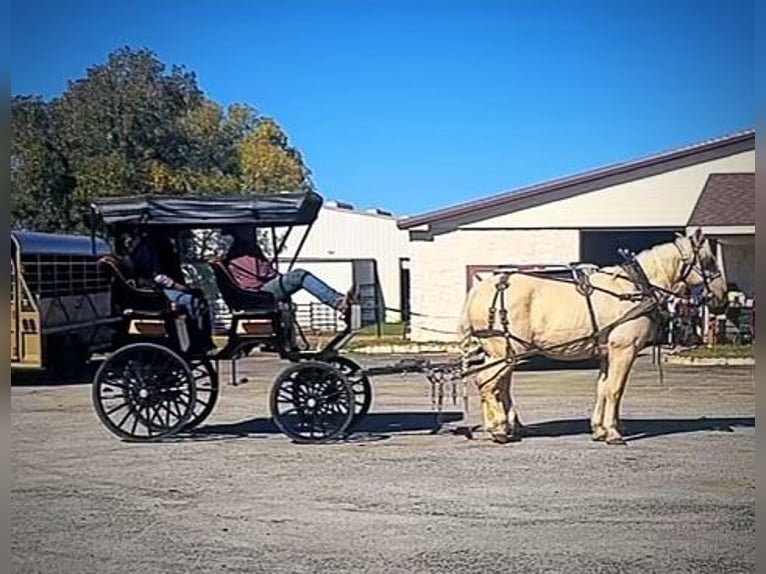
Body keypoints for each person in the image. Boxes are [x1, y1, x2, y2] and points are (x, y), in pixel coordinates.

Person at [221, 226, 357, 313]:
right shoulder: (243, 251)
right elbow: (262, 273)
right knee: (299, 275)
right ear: (239, 233)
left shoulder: (243, 250)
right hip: (255, 294)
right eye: (249, 229)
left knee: (289, 289)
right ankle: (337, 302)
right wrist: (282, 278)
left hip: (253, 294)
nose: (253, 232)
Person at [124, 230, 214, 352]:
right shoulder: (145, 249)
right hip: (152, 291)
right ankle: (195, 341)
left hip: (159, 289)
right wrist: (178, 286)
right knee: (190, 300)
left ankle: (203, 340)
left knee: (198, 298)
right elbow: (156, 277)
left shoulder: (159, 246)